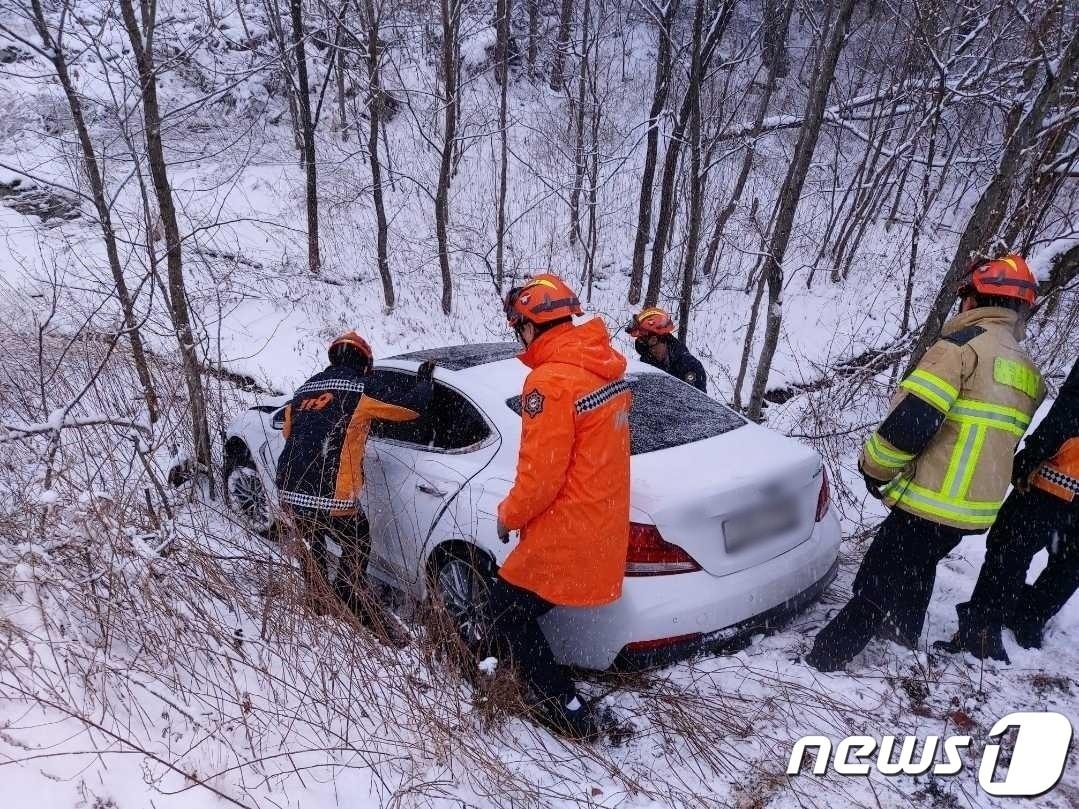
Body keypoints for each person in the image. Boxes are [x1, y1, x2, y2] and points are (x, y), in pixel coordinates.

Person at [806, 255, 1044, 672]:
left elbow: (910, 425)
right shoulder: (1027, 370)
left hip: (930, 499)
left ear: (973, 299)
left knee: (874, 583)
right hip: (972, 508)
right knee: (919, 566)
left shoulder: (960, 350)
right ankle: (901, 634)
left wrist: (874, 468)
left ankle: (824, 660)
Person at [493, 273, 632, 739]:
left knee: (505, 611)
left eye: (520, 326)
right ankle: (513, 678)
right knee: (516, 611)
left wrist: (508, 515)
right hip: (600, 521)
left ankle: (563, 710)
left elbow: (541, 476)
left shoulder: (549, 382)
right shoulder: (600, 366)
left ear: (532, 324)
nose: (519, 335)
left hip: (566, 526)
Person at [275, 330, 434, 635]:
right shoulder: (361, 388)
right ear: (364, 362)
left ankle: (318, 599)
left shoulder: (305, 389)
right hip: (332, 495)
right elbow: (410, 409)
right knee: (357, 542)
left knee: (313, 544)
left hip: (291, 488)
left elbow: (288, 431)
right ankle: (348, 595)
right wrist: (424, 383)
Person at [941, 356, 1078, 661]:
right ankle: (1030, 619)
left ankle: (982, 632)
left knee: (1010, 545)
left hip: (1062, 475)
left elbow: (1072, 407)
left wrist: (1035, 452)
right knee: (1070, 561)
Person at [625, 307, 707, 392]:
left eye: (652, 342)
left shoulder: (690, 366)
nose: (650, 351)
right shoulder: (645, 367)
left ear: (664, 340)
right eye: (645, 346)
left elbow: (697, 401)